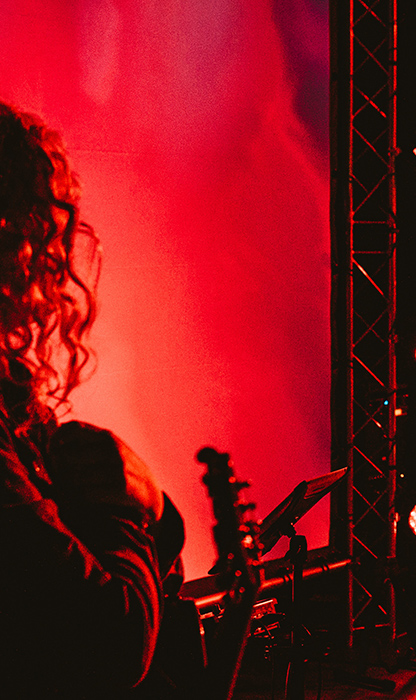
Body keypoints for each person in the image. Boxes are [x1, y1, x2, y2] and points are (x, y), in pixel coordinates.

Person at [0, 103, 181, 697]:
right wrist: (129, 506)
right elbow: (115, 640)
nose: (53, 267)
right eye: (42, 236)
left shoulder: (12, 398)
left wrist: (150, 501)